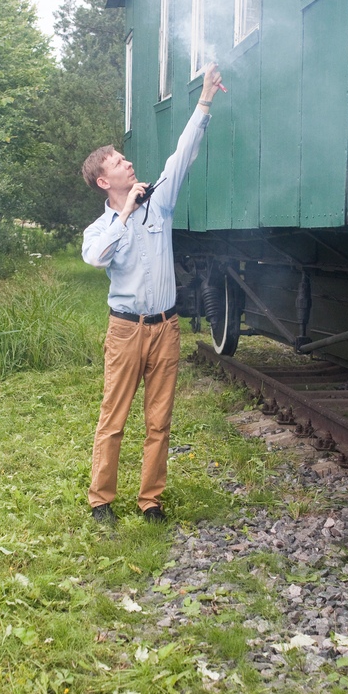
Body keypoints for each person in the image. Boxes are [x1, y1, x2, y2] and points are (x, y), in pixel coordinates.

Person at [81, 63, 225, 525]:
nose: (129, 163)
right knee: (114, 417)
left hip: (165, 327)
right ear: (106, 182)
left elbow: (183, 154)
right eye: (119, 163)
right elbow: (96, 258)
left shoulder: (159, 201)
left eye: (125, 160)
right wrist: (125, 214)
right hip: (125, 332)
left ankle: (151, 501)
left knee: (158, 421)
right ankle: (102, 499)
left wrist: (204, 100)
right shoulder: (101, 228)